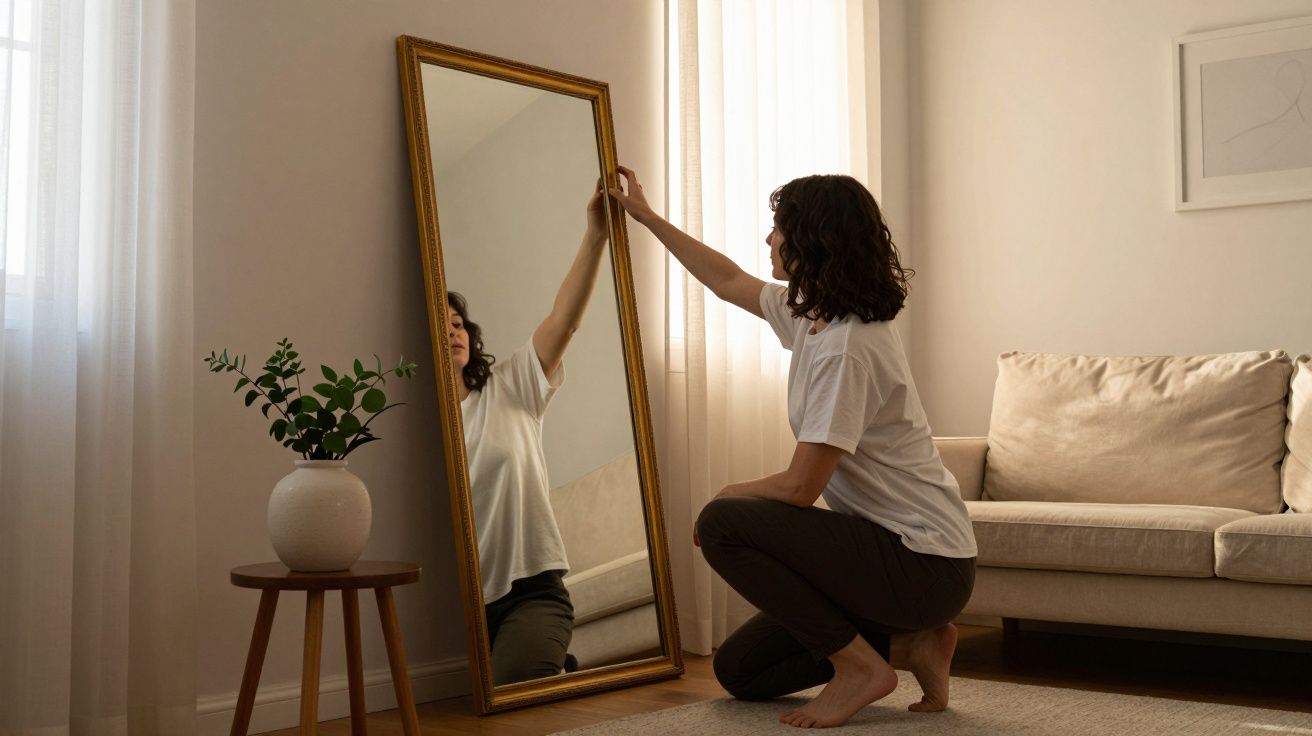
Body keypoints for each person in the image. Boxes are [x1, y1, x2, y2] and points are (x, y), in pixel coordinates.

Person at [608, 166, 977, 729]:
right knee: (743, 673)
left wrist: (729, 495)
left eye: (778, 228)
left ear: (813, 240)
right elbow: (727, 279)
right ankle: (911, 646)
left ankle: (859, 667)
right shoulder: (813, 319)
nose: (768, 239)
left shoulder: (848, 348)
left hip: (922, 563)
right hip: (897, 559)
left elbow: (801, 489)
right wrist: (648, 218)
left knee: (726, 522)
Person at [447, 182, 610, 685]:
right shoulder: (417, 430)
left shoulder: (509, 388)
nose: (452, 330)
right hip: (455, 610)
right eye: (439, 323)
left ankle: (545, 658)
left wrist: (596, 234)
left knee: (513, 690)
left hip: (531, 593)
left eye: (458, 323)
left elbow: (565, 321)